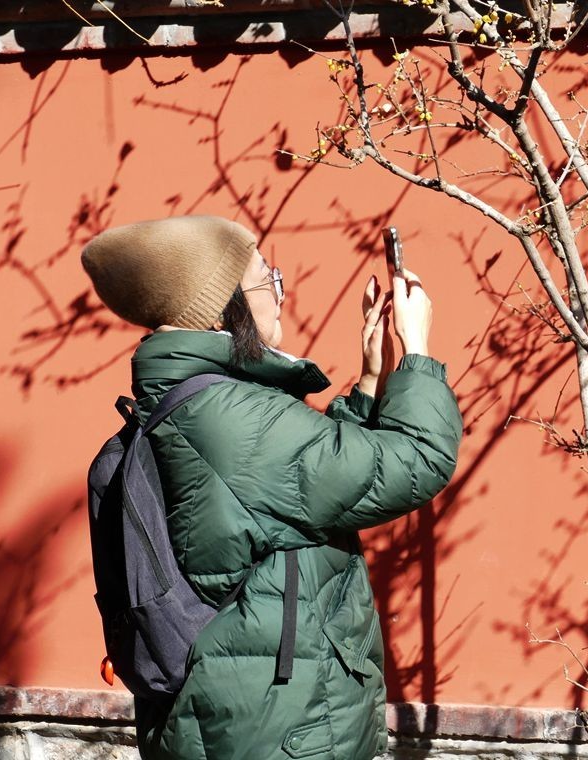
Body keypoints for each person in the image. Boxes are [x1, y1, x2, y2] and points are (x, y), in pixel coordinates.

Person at [80, 215, 463, 760]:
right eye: (267, 281)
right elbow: (416, 461)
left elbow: (304, 496)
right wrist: (419, 350)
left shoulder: (190, 406)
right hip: (281, 728)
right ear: (219, 306)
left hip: (234, 715)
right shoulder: (232, 417)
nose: (280, 296)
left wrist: (373, 381)